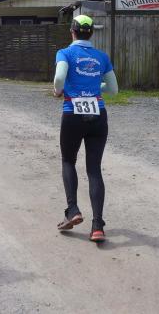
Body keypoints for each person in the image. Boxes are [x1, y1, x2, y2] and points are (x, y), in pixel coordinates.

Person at [53, 14, 118, 242]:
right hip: (98, 114)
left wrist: (58, 90)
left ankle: (73, 210)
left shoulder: (65, 53)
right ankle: (97, 225)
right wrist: (96, 86)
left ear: (72, 32)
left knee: (68, 161)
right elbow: (114, 89)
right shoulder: (102, 57)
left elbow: (59, 77)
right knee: (94, 170)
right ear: (91, 33)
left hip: (73, 114)